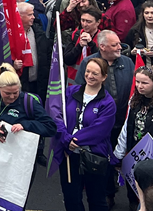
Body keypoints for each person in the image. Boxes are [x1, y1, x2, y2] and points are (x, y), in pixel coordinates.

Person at [53, 58, 117, 211]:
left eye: (95, 73)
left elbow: (100, 130)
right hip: (69, 155)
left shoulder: (108, 103)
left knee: (97, 201)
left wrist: (74, 140)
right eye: (88, 71)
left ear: (104, 77)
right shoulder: (70, 92)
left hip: (94, 157)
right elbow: (56, 116)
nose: (89, 75)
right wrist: (65, 138)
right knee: (71, 199)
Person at [113, 67, 153, 209]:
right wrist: (119, 152)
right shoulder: (134, 100)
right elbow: (126, 127)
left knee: (152, 196)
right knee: (133, 194)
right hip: (135, 154)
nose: (140, 86)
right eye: (137, 82)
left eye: (144, 83)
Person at [0, 63, 56, 145]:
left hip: (19, 156)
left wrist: (25, 125)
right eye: (7, 93)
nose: (12, 97)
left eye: (15, 92)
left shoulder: (29, 102)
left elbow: (50, 127)